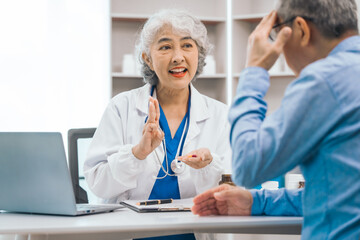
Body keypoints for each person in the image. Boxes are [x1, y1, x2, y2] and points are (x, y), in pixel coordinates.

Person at [192, 0, 360, 239]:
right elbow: (342, 195)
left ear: (301, 29)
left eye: (277, 35)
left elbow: (247, 167)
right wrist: (259, 202)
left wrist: (255, 69)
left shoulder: (323, 82)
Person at [84, 9, 231, 240]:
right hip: (131, 234)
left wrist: (210, 166)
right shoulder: (121, 107)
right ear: (148, 59)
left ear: (198, 55)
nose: (178, 57)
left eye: (187, 46)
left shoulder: (221, 115)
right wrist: (137, 153)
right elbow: (97, 183)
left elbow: (232, 190)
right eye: (165, 47)